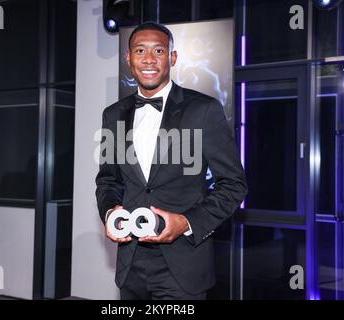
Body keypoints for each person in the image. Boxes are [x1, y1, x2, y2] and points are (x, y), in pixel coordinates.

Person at [95, 22, 247, 300]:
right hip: (130, 264)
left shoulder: (203, 109)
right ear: (129, 59)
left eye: (159, 51)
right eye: (140, 50)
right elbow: (108, 179)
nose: (149, 59)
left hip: (184, 265)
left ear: (172, 58)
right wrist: (109, 212)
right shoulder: (112, 115)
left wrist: (186, 222)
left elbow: (234, 185)